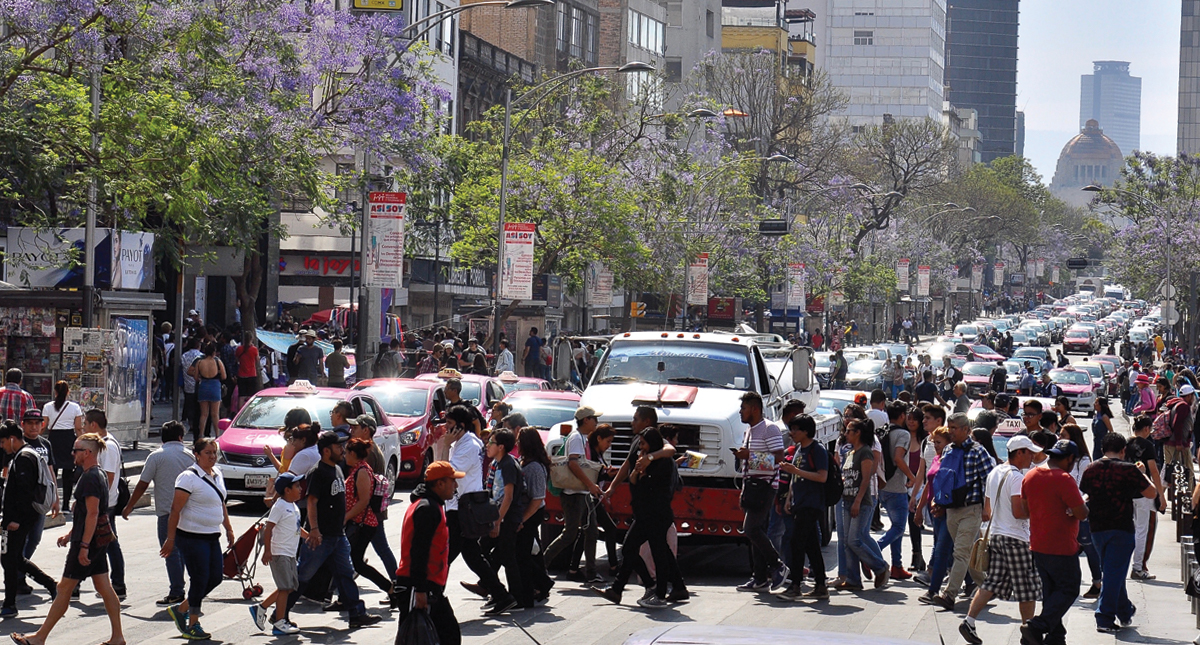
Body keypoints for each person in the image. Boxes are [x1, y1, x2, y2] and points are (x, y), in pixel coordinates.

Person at [10, 433, 124, 645]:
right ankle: (117, 637)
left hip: (87, 543)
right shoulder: (96, 474)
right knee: (104, 587)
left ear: (87, 453)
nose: (72, 454)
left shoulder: (90, 478)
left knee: (64, 589)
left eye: (76, 450)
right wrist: (71, 534)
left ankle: (39, 638)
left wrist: (82, 545)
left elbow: (92, 514)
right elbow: (89, 514)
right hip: (94, 542)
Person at [283, 431, 381, 629]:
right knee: (303, 576)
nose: (342, 450)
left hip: (338, 535)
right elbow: (311, 502)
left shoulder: (336, 469)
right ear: (326, 451)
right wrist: (315, 529)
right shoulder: (318, 472)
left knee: (345, 574)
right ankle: (281, 614)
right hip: (321, 537)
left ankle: (356, 614)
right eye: (338, 447)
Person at [959, 436, 1043, 645]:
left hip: (995, 535)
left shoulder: (995, 472)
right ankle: (1029, 632)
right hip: (1015, 538)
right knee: (1027, 588)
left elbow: (987, 509)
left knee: (992, 581)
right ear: (1019, 453)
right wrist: (1036, 511)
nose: (1032, 457)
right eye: (1029, 452)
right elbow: (1018, 512)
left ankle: (969, 620)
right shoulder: (1016, 477)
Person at [592, 427, 685, 608]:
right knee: (629, 549)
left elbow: (651, 487)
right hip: (643, 514)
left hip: (657, 513)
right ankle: (644, 587)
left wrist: (644, 470)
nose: (640, 448)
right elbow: (632, 477)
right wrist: (635, 473)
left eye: (643, 444)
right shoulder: (640, 459)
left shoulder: (662, 462)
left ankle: (659, 594)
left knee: (659, 552)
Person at [1079, 432, 1157, 633]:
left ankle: (1124, 610)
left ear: (1103, 449)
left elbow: (1085, 493)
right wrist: (1142, 474)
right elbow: (1151, 492)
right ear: (1123, 450)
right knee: (1114, 572)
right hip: (1121, 527)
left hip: (1097, 527)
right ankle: (1104, 618)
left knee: (1113, 570)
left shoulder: (1091, 469)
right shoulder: (1129, 470)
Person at [160, 438, 235, 640]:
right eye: (208, 452)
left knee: (216, 577)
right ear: (197, 454)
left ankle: (181, 609)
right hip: (192, 537)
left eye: (214, 452)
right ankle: (193, 623)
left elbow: (221, 503)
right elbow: (175, 510)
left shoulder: (217, 474)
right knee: (200, 578)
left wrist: (228, 528)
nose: (212, 456)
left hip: (212, 535)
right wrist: (170, 539)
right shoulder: (188, 478)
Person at [921, 412, 994, 611]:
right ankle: (989, 585)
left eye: (955, 428)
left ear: (966, 430)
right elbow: (942, 480)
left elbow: (990, 480)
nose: (951, 432)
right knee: (968, 553)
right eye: (950, 427)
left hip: (971, 510)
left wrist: (987, 508)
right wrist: (938, 501)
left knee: (959, 553)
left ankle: (949, 594)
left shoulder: (978, 452)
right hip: (951, 510)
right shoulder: (948, 451)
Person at [1021, 440, 1089, 645]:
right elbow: (1082, 513)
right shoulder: (1064, 479)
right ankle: (1037, 626)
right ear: (1069, 459)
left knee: (1051, 593)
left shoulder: (1031, 475)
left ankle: (1056, 637)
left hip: (1038, 543)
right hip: (1061, 544)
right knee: (1069, 588)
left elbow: (1025, 511)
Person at [121, 420, 194, 607]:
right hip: (189, 512)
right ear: (180, 437)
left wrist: (130, 505)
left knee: (170, 551)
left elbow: (143, 483)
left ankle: (177, 591)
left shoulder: (156, 457)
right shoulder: (190, 456)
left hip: (166, 513)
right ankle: (189, 590)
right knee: (185, 551)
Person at [396, 462, 463, 645]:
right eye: (452, 481)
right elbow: (419, 550)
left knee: (442, 634)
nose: (455, 486)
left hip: (426, 584)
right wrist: (420, 589)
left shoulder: (431, 504)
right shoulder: (427, 508)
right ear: (440, 484)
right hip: (418, 584)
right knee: (417, 637)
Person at [732, 392, 790, 592]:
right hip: (752, 486)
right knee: (756, 532)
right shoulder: (750, 431)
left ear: (755, 409)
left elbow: (779, 459)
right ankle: (759, 578)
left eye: (744, 408)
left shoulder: (769, 428)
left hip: (765, 486)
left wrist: (750, 456)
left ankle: (778, 566)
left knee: (751, 529)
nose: (741, 412)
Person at [0, 420, 58, 618]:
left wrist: (16, 519)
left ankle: (9, 604)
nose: (2, 446)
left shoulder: (24, 458)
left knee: (9, 559)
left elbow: (24, 493)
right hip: (19, 518)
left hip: (18, 520)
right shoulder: (23, 455)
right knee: (13, 558)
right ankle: (50, 585)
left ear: (12, 439)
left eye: (3, 442)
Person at [542, 407, 604, 581]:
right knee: (569, 534)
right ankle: (541, 564)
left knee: (591, 532)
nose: (596, 422)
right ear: (585, 420)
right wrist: (590, 484)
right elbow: (573, 464)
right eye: (593, 418)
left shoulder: (582, 438)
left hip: (582, 493)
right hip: (574, 494)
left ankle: (591, 572)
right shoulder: (576, 438)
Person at [778, 414, 829, 600]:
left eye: (795, 429)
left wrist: (796, 471)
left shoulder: (817, 450)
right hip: (799, 502)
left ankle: (795, 586)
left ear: (806, 431)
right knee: (811, 545)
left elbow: (822, 476)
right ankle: (821, 585)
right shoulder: (799, 449)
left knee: (797, 543)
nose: (792, 433)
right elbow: (794, 478)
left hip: (812, 503)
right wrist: (789, 497)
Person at [837, 418, 889, 591]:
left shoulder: (865, 452)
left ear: (858, 433)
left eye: (849, 431)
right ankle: (853, 579)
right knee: (847, 541)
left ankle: (880, 567)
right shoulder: (851, 453)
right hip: (847, 499)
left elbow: (866, 479)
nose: (846, 434)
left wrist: (858, 501)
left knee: (855, 539)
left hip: (861, 502)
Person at [250, 472, 305, 635]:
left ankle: (261, 608)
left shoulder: (293, 506)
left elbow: (295, 527)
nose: (300, 489)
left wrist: (308, 536)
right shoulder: (280, 506)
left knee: (290, 587)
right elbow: (268, 529)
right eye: (296, 486)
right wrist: (267, 551)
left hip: (290, 553)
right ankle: (279, 622)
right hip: (279, 552)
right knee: (284, 587)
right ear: (287, 490)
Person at [342, 439, 393, 598]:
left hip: (363, 524)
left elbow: (364, 501)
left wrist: (346, 517)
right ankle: (346, 597)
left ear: (352, 453)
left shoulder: (362, 471)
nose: (344, 456)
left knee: (355, 562)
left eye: (346, 452)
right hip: (359, 522)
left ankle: (391, 589)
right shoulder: (357, 469)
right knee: (351, 561)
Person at [85, 410, 126, 600]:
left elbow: (108, 476)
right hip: (104, 502)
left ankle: (117, 583)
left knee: (105, 543)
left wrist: (98, 500)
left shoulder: (108, 447)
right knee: (106, 542)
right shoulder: (102, 444)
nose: (84, 427)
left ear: (94, 425)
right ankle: (115, 583)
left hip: (105, 503)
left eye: (86, 423)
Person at [877, 401, 916, 580]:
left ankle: (897, 566)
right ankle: (873, 552)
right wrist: (912, 476)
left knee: (896, 527)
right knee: (900, 527)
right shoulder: (903, 434)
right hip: (897, 487)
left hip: (882, 485)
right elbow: (898, 458)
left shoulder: (883, 431)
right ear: (902, 416)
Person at [515, 428, 554, 607]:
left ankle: (541, 583)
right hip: (528, 512)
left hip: (532, 512)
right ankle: (541, 584)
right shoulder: (526, 463)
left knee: (522, 553)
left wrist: (523, 519)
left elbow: (537, 498)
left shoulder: (535, 467)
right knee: (531, 551)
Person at [1126, 415, 1162, 580]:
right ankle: (1138, 566)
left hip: (1126, 492)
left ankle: (1133, 564)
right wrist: (1160, 495)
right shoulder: (1147, 445)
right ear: (1146, 429)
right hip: (1143, 492)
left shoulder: (1126, 443)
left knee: (1130, 529)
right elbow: (1153, 470)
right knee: (1143, 530)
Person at [43, 381, 84, 505]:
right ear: (68, 392)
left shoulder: (48, 406)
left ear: (55, 392)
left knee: (52, 472)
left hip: (53, 439)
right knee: (68, 474)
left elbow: (43, 426)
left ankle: (52, 502)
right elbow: (78, 428)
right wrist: (82, 443)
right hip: (68, 439)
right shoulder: (75, 407)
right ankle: (66, 504)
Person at [188, 341, 226, 439]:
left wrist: (201, 377)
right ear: (214, 352)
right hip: (215, 386)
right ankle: (217, 435)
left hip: (203, 386)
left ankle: (201, 434)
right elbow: (224, 376)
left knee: (204, 414)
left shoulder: (200, 362)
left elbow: (196, 377)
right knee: (215, 414)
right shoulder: (217, 361)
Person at [234, 332, 261, 408]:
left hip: (241, 375)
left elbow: (236, 359)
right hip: (251, 375)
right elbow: (257, 360)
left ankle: (240, 412)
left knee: (241, 396)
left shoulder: (239, 349)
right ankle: (250, 410)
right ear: (252, 339)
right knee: (251, 396)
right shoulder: (254, 349)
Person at [1091, 397, 1115, 461]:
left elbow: (1111, 431)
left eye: (1096, 402)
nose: (1094, 404)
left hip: (1102, 443)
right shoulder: (1096, 415)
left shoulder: (1104, 417)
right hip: (1096, 442)